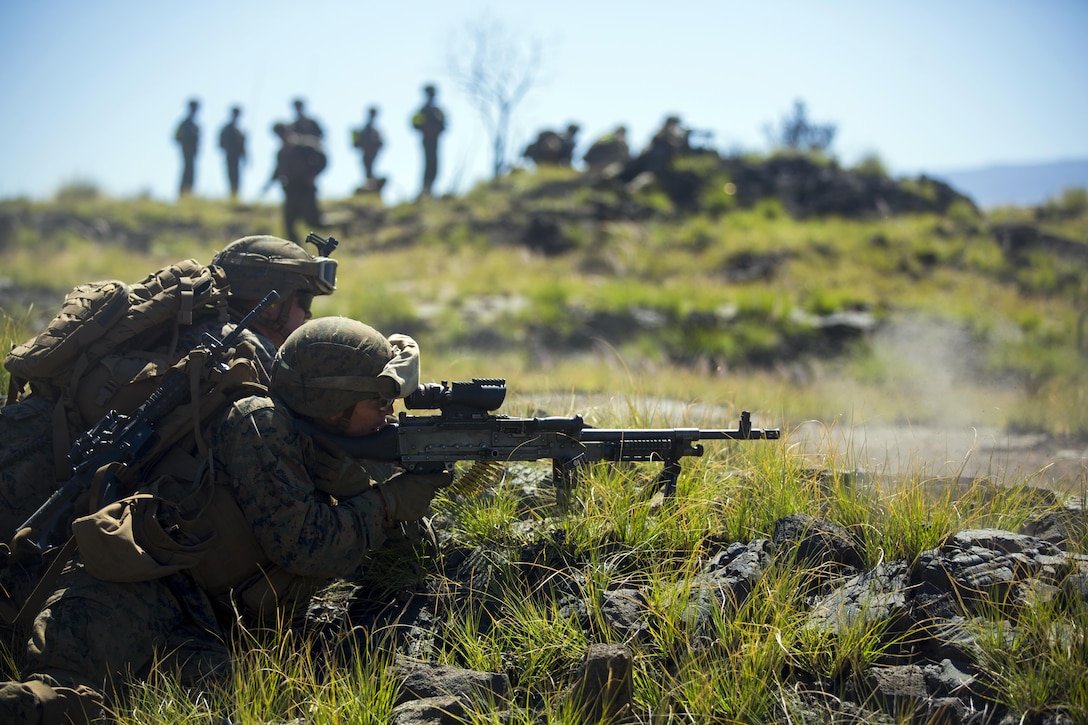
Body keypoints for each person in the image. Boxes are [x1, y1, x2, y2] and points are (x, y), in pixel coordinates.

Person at [0, 317, 449, 723]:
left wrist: (365, 491)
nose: (390, 413)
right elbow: (308, 546)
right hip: (128, 600)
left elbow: (408, 553)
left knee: (249, 699)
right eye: (380, 401)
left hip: (201, 616)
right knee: (51, 704)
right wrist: (384, 503)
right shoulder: (260, 424)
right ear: (335, 403)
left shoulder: (324, 438)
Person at [0, 236, 336, 610]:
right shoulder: (246, 346)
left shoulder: (183, 322)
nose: (307, 316)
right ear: (270, 303)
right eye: (302, 302)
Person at [265, 123, 326, 242]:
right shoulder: (282, 153)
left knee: (313, 222)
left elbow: (322, 160)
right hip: (291, 191)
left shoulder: (304, 147)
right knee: (289, 226)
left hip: (305, 190)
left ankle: (341, 227)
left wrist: (313, 174)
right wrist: (268, 185)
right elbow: (278, 170)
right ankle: (298, 254)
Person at [410, 84, 446, 199]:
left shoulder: (437, 111)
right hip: (427, 140)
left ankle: (430, 189)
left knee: (434, 164)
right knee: (428, 163)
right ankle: (426, 189)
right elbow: (415, 124)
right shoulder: (422, 110)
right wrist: (426, 128)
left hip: (435, 140)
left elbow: (444, 126)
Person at [217, 106, 247, 200]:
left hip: (237, 157)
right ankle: (232, 196)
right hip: (230, 156)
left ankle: (235, 196)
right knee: (232, 176)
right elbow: (221, 144)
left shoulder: (239, 131)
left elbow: (243, 146)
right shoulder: (227, 129)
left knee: (236, 177)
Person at [174, 98, 200, 198]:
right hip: (186, 152)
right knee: (187, 173)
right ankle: (183, 195)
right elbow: (176, 137)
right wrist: (185, 143)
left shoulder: (195, 125)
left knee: (191, 174)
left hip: (193, 153)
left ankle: (188, 195)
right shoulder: (185, 124)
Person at [352, 106, 384, 184]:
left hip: (371, 152)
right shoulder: (366, 130)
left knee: (369, 169)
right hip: (367, 152)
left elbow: (381, 143)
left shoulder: (373, 131)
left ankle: (371, 184)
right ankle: (370, 184)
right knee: (368, 169)